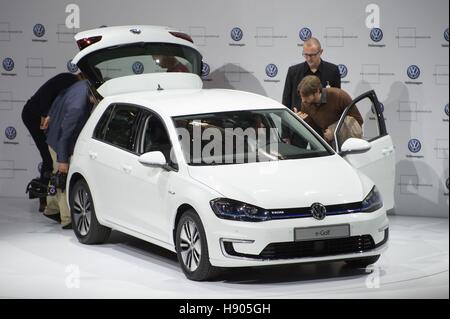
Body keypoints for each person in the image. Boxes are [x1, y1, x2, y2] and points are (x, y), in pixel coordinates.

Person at [21, 73, 81, 212]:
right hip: (33, 115)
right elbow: (46, 93)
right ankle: (45, 201)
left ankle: (48, 200)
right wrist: (44, 114)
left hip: (38, 115)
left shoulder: (72, 84)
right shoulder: (69, 79)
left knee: (49, 156)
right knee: (48, 157)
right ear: (83, 77)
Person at [44, 78, 93, 229]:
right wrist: (63, 159)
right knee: (63, 178)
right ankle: (67, 219)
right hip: (60, 141)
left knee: (56, 174)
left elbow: (60, 96)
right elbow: (65, 135)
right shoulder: (78, 108)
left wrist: (50, 115)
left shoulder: (82, 84)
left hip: (54, 133)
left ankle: (51, 208)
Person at [297, 75, 363, 144]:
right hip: (329, 146)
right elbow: (313, 130)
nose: (303, 100)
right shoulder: (305, 104)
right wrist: (300, 121)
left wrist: (334, 131)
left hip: (349, 144)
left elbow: (358, 121)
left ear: (317, 91)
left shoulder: (339, 96)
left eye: (306, 96)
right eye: (301, 96)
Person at [282, 37, 341, 112]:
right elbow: (286, 100)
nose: (309, 59)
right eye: (306, 54)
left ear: (321, 52)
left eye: (312, 55)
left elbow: (337, 99)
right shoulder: (293, 72)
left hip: (324, 120)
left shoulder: (332, 71)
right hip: (299, 120)